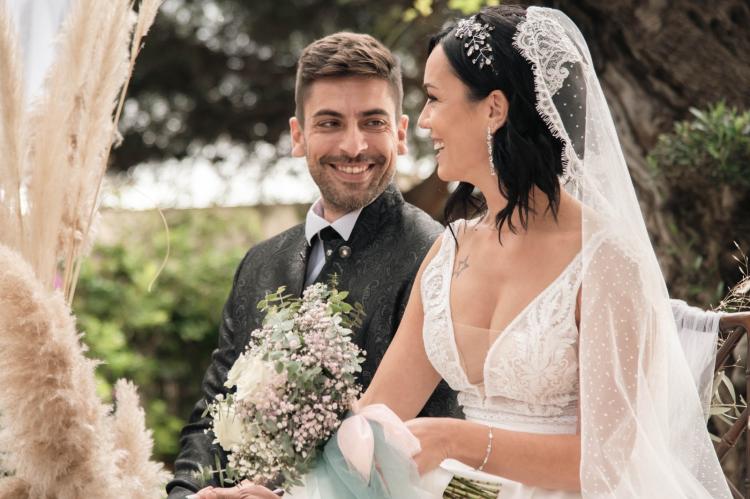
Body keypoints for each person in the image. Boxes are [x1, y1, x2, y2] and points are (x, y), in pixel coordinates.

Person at [224, 5, 733, 498]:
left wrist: (457, 440)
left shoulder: (605, 260)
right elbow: (376, 415)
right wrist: (281, 493)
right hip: (461, 491)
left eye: (434, 99)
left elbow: (605, 461)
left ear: (493, 108)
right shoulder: (450, 251)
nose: (424, 121)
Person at [166, 32, 460, 499]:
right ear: (298, 135)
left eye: (373, 122)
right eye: (329, 123)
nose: (353, 145)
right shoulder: (260, 263)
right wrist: (187, 493)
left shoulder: (438, 256)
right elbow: (214, 410)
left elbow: (428, 444)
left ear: (401, 133)